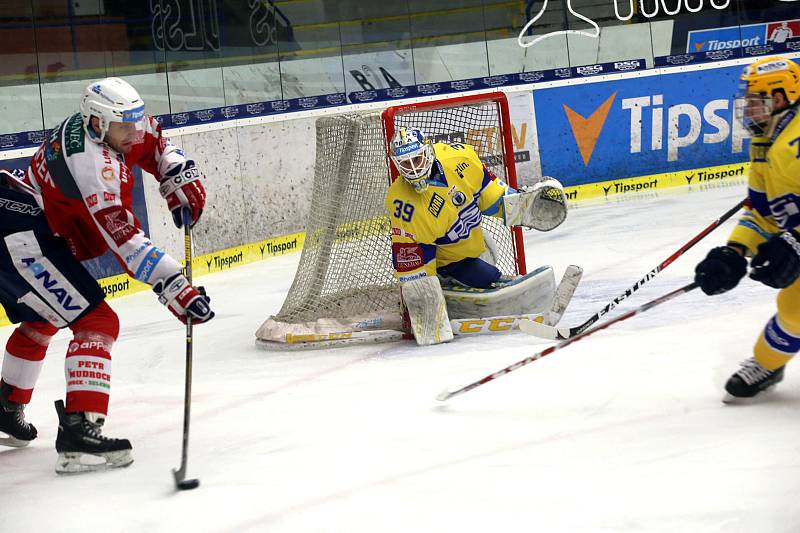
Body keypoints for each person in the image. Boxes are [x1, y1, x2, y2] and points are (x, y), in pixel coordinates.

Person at [0, 77, 214, 473]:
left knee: (45, 316)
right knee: (98, 321)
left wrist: (174, 172)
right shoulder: (93, 166)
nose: (132, 133)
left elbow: (154, 142)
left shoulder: (114, 123)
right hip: (21, 234)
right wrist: (175, 287)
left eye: (134, 122)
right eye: (123, 127)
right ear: (98, 124)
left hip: (21, 219)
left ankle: (6, 404)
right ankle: (80, 432)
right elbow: (126, 242)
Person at [386, 127, 567, 344]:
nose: (414, 169)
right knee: (487, 277)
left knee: (487, 269)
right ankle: (446, 281)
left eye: (417, 159)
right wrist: (427, 306)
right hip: (447, 262)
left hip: (475, 242)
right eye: (406, 163)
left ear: (429, 151)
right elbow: (416, 264)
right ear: (397, 164)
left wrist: (523, 205)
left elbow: (490, 196)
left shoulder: (459, 158)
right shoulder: (403, 204)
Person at [694, 56, 800, 402]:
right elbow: (763, 212)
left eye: (755, 102)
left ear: (780, 99)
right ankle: (768, 364)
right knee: (795, 305)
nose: (748, 110)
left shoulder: (794, 145)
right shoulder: (766, 142)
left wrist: (795, 241)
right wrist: (735, 251)